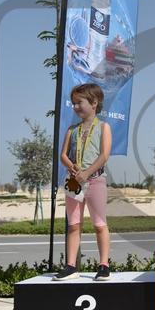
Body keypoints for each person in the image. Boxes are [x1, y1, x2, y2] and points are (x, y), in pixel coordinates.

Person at [54, 83, 112, 281]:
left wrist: (87, 173)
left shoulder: (103, 127)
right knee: (73, 224)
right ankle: (71, 266)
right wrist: (72, 167)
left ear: (94, 103)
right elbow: (63, 155)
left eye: (79, 102)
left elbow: (104, 155)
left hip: (95, 181)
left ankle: (104, 265)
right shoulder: (72, 130)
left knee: (99, 224)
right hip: (74, 183)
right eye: (73, 103)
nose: (75, 107)